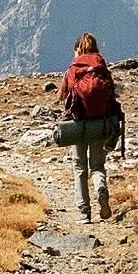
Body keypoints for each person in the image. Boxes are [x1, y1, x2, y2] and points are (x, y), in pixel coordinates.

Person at [58, 32, 116, 223]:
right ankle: (101, 190)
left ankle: (84, 212)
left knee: (80, 167)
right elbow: (112, 93)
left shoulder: (74, 68)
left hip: (78, 124)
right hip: (100, 124)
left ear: (78, 49)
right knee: (98, 166)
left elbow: (62, 95)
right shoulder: (101, 66)